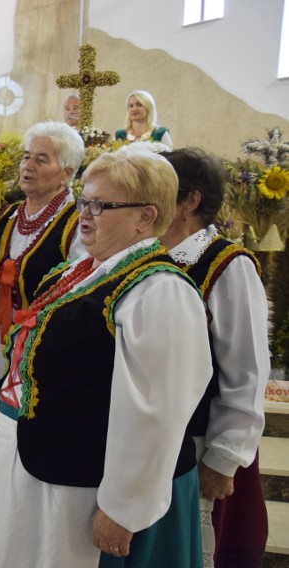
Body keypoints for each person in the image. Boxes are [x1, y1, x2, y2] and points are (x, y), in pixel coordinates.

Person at [0, 148, 212, 568]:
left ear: (146, 216)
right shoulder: (84, 269)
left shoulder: (159, 290)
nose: (85, 213)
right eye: (84, 201)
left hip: (73, 482)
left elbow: (158, 413)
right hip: (30, 459)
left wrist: (124, 509)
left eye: (102, 205)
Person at [160, 148, 270, 568]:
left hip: (202, 438)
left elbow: (247, 371)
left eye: (160, 189)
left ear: (190, 201)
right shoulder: (147, 256)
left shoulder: (227, 265)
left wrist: (224, 459)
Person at [0, 121, 85, 494]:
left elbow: (77, 293)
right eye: (25, 156)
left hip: (38, 354)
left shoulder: (78, 224)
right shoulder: (8, 217)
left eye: (41, 159)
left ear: (67, 172)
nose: (27, 165)